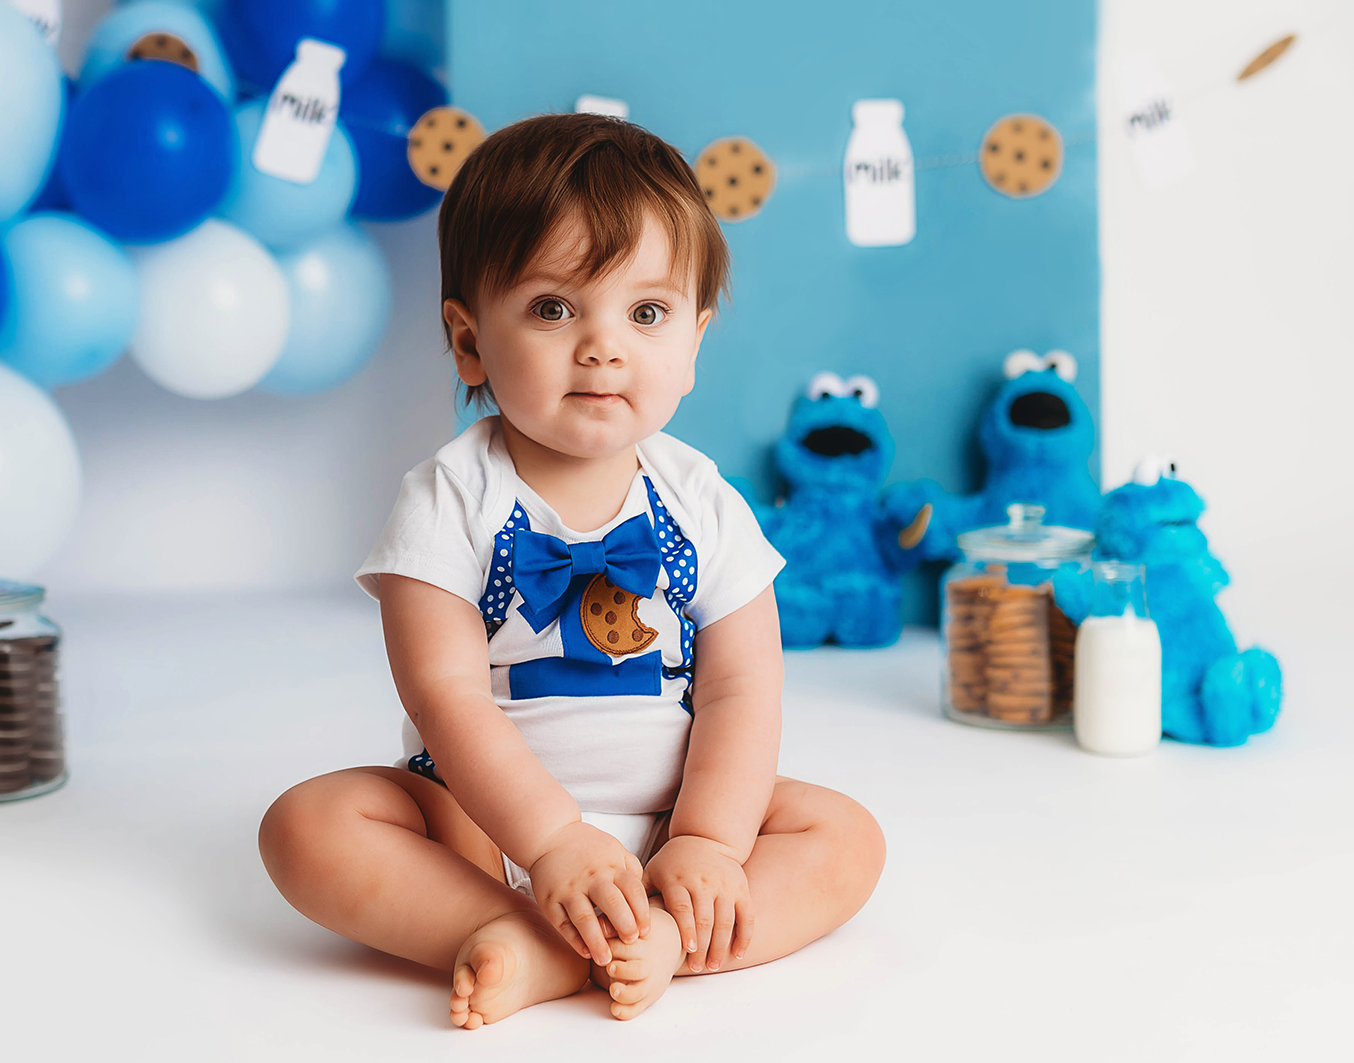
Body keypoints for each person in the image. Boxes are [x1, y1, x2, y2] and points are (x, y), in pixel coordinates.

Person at [259, 113, 885, 1027]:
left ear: (695, 339)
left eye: (646, 313)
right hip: (483, 828)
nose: (604, 345)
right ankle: (510, 928)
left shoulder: (703, 500)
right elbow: (447, 697)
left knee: (845, 838)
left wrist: (711, 841)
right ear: (470, 341)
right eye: (554, 309)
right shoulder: (448, 498)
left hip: (672, 814)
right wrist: (550, 841)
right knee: (307, 826)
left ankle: (671, 933)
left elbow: (745, 689)